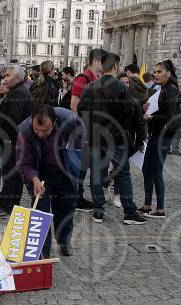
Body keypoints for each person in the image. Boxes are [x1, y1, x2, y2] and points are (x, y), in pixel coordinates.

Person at [79, 53, 147, 225]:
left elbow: (82, 110)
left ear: (102, 65)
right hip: (116, 138)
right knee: (123, 174)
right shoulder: (121, 87)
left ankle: (98, 211)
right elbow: (127, 112)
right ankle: (129, 211)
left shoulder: (90, 87)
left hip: (96, 137)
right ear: (116, 65)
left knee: (96, 174)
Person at [17, 105, 85, 257]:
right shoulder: (25, 131)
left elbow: (81, 134)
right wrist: (34, 179)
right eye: (37, 129)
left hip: (65, 172)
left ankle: (64, 241)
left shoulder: (70, 121)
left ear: (54, 123)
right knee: (40, 213)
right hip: (40, 175)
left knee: (66, 209)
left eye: (45, 131)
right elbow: (23, 163)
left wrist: (77, 155)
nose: (40, 134)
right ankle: (42, 250)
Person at [0, 64, 34, 218]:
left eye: (8, 76)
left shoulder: (19, 93)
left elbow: (13, 121)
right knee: (13, 175)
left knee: (10, 175)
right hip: (14, 142)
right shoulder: (16, 91)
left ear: (18, 78)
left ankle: (5, 207)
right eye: (4, 75)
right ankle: (11, 205)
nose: (4, 78)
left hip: (14, 142)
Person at [140, 60, 181, 219]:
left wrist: (151, 117)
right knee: (146, 169)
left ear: (168, 73)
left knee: (156, 170)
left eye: (159, 72)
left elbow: (171, 117)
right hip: (156, 134)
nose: (155, 74)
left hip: (163, 136)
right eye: (154, 71)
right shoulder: (162, 88)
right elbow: (159, 108)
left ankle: (160, 209)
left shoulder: (171, 89)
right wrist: (146, 108)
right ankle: (147, 205)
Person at [72, 48, 107, 212]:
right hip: (83, 132)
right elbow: (74, 106)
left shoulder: (96, 79)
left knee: (87, 166)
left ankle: (79, 196)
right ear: (96, 61)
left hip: (94, 132)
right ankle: (76, 197)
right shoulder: (83, 78)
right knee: (81, 167)